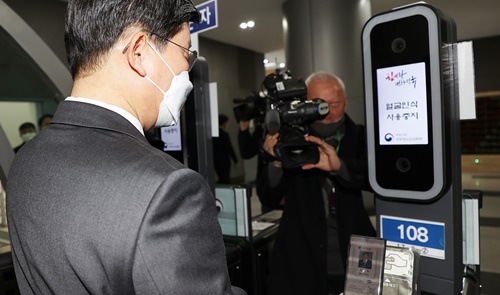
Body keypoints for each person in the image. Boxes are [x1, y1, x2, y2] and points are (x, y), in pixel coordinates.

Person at [6, 1, 244, 294]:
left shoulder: (26, 160)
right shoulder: (168, 190)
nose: (187, 70)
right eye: (186, 53)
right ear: (140, 52)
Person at [257, 71, 376, 295]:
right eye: (319, 104)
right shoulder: (285, 137)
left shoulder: (360, 135)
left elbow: (377, 179)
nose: (328, 112)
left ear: (345, 102)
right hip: (300, 254)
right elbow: (267, 196)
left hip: (354, 247)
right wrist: (275, 162)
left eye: (335, 103)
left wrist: (340, 166)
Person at [213, 114, 238, 184]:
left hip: (216, 160)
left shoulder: (213, 135)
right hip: (224, 160)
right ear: (223, 123)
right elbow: (229, 148)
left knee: (221, 178)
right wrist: (235, 159)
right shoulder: (224, 134)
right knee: (225, 179)